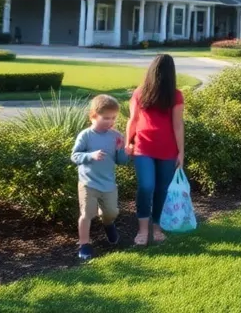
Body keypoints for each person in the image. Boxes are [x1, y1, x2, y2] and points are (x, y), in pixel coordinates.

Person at [126, 53, 185, 245]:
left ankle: (157, 227)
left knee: (162, 189)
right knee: (146, 186)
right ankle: (143, 229)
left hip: (167, 150)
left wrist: (181, 152)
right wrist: (128, 141)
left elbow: (178, 125)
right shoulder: (140, 93)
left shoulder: (175, 95)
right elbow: (133, 119)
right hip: (143, 146)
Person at [70, 94, 131, 261]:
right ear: (93, 116)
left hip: (108, 183)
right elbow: (75, 156)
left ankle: (108, 224)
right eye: (105, 118)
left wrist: (123, 151)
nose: (110, 122)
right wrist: (90, 155)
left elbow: (121, 161)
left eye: (113, 118)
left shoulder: (116, 136)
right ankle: (84, 244)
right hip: (88, 183)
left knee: (111, 212)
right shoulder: (86, 135)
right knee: (87, 214)